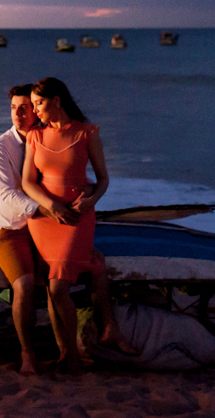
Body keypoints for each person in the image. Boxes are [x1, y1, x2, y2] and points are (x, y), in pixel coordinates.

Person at [21, 77, 135, 373]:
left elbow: (103, 179)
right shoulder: (35, 136)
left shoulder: (88, 133)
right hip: (45, 219)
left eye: (39, 103)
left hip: (77, 216)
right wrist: (50, 206)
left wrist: (90, 201)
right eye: (32, 104)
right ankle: (66, 354)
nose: (35, 110)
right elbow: (27, 182)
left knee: (58, 287)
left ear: (57, 101)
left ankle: (72, 358)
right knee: (53, 287)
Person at [0, 84, 46, 376]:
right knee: (23, 285)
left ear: (36, 109)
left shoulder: (47, 139)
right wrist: (45, 209)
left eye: (24, 108)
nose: (18, 115)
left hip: (45, 227)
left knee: (83, 268)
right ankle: (27, 354)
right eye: (13, 108)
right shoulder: (0, 148)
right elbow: (7, 195)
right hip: (8, 231)